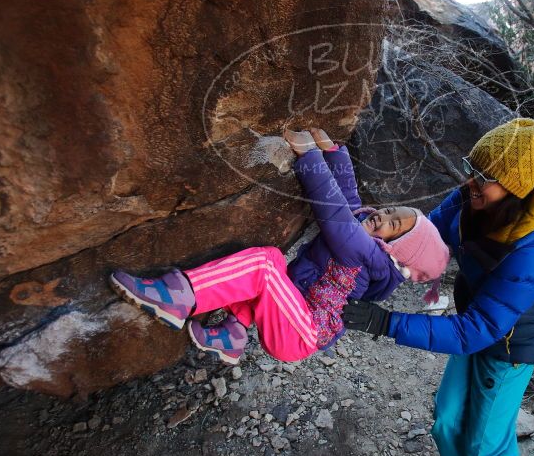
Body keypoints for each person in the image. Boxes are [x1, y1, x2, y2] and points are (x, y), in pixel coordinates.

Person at [343, 118, 534, 456]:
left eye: (483, 176)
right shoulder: (471, 199)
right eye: (473, 169)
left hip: (508, 348)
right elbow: (429, 237)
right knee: (447, 419)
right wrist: (376, 260)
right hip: (473, 321)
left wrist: (384, 323)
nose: (470, 182)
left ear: (514, 189)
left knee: (487, 449)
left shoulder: (533, 252)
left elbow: (476, 331)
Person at [110, 128, 450, 364]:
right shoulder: (368, 239)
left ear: (396, 253)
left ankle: (180, 296)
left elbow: (335, 215)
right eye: (392, 211)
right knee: (266, 280)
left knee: (266, 265)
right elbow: (349, 200)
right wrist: (333, 152)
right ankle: (232, 335)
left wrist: (311, 157)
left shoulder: (368, 256)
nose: (384, 217)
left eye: (394, 226)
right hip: (298, 313)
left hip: (303, 333)